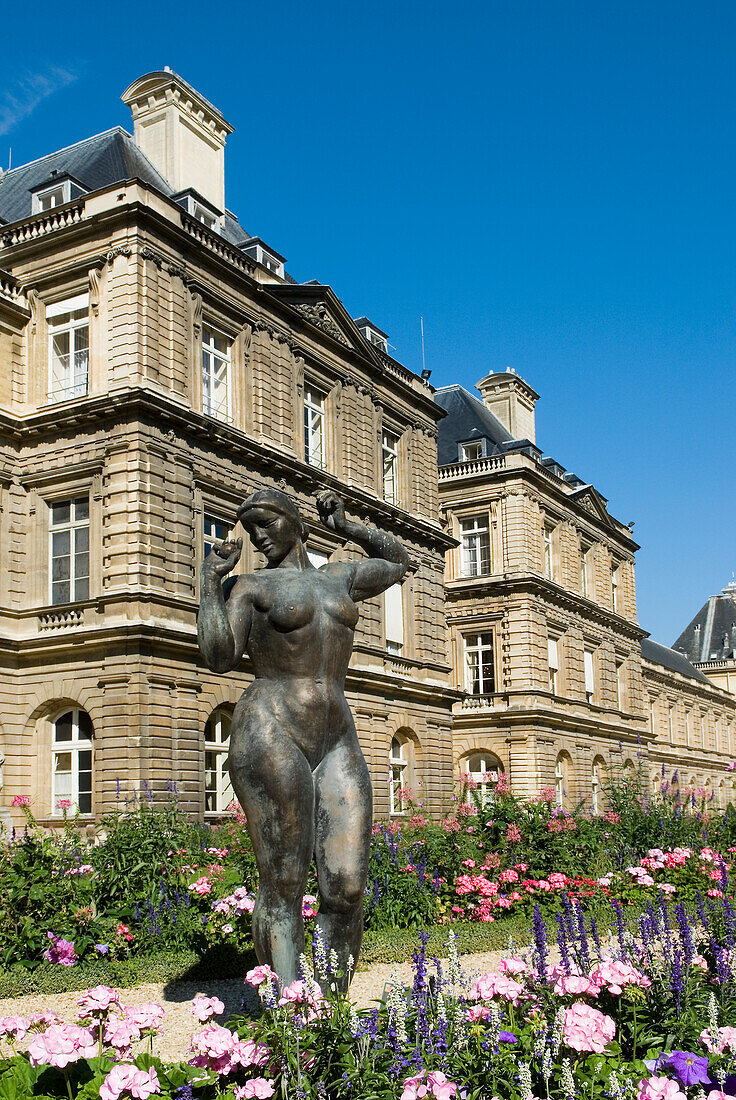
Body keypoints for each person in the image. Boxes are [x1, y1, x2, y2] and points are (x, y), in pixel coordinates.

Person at [197, 487, 409, 989]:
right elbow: (218, 656)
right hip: (270, 727)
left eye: (267, 523)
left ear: (295, 522)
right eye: (251, 530)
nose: (259, 536)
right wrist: (210, 584)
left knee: (347, 885)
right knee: (284, 882)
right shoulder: (250, 588)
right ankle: (290, 1019)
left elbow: (397, 562)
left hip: (336, 734)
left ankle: (329, 1014)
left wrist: (349, 524)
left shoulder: (339, 578)